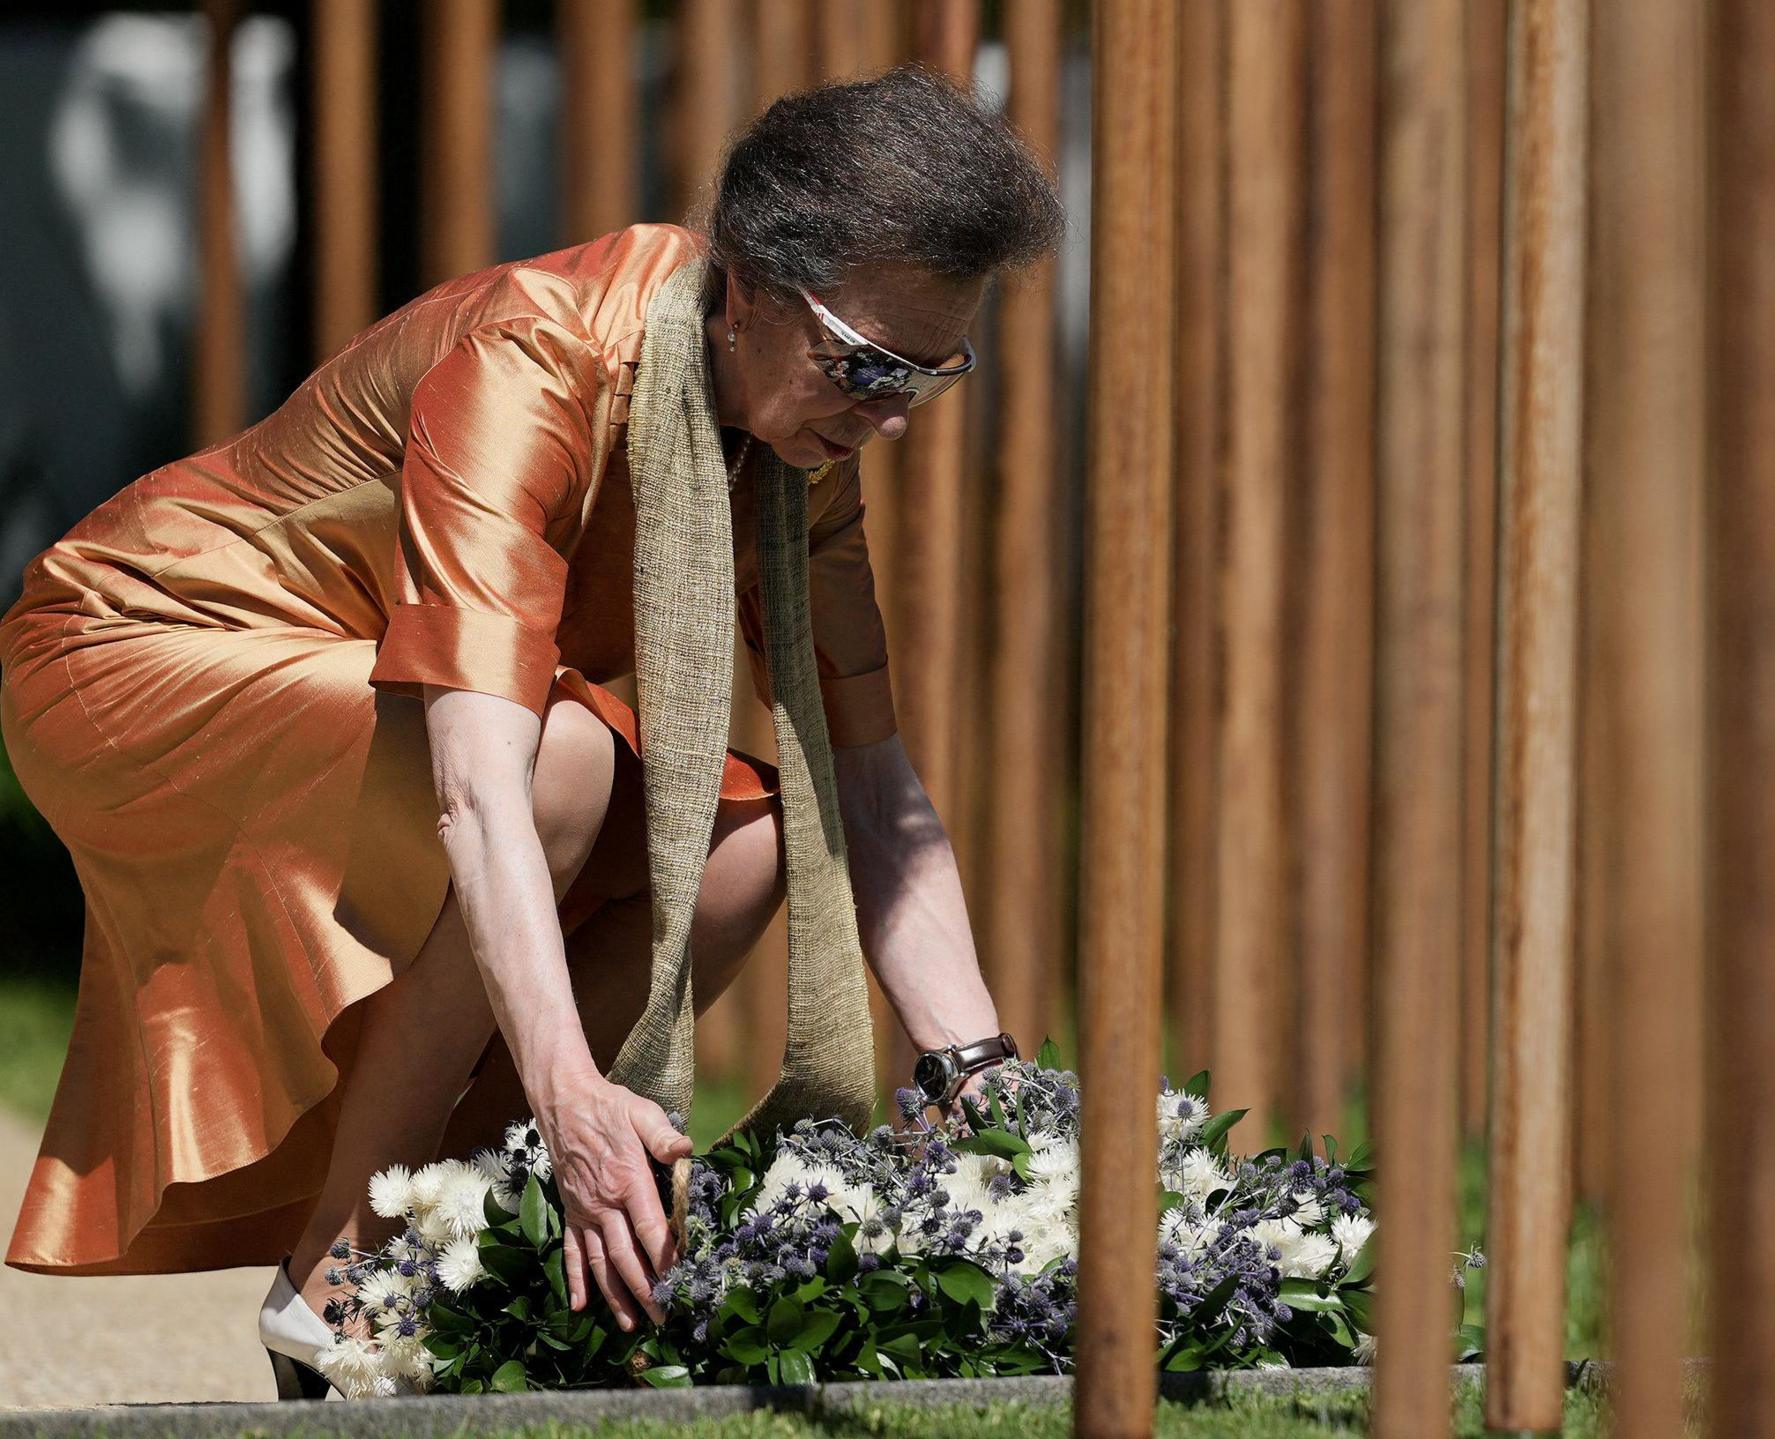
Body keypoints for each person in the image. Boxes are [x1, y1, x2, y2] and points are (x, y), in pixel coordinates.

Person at [0, 67, 1061, 1395]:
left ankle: (471, 1241)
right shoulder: (535, 360)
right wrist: (570, 1090)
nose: (893, 416)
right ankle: (352, 1263)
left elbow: (874, 792)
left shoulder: (796, 455)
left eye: (934, 373)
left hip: (382, 699)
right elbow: (486, 788)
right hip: (134, 646)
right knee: (569, 760)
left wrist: (978, 1076)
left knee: (742, 847)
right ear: (748, 286)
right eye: (869, 365)